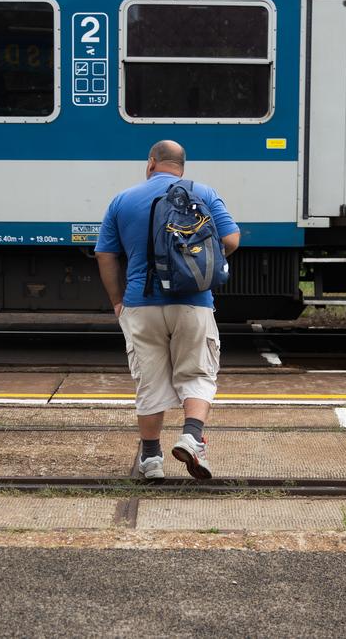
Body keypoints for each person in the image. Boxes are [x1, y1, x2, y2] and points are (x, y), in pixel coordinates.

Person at [94, 140, 240, 480]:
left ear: (151, 163)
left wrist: (118, 301)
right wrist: (200, 265)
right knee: (197, 374)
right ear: (182, 167)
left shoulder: (123, 200)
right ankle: (191, 436)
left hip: (140, 304)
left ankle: (151, 460)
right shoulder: (202, 192)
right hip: (193, 302)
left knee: (151, 382)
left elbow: (105, 255)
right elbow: (231, 239)